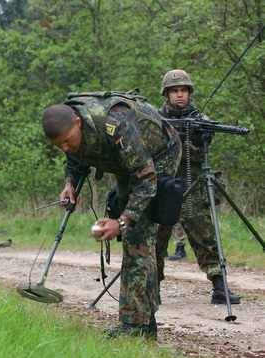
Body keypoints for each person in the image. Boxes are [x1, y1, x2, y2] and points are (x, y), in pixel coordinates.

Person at [41, 92, 182, 339]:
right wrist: (70, 183)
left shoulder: (115, 124)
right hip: (129, 163)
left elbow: (145, 177)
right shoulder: (72, 130)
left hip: (159, 155)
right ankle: (142, 323)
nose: (65, 147)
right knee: (134, 239)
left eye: (67, 141)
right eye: (58, 145)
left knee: (137, 236)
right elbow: (76, 158)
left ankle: (136, 327)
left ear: (78, 123)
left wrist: (122, 221)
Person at [156, 70, 241, 305]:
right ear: (167, 94)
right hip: (163, 187)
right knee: (156, 239)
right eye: (175, 91)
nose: (180, 95)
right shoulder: (154, 119)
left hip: (191, 187)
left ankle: (219, 286)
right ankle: (152, 288)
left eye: (183, 90)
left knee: (206, 236)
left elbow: (202, 154)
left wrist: (190, 140)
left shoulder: (199, 118)